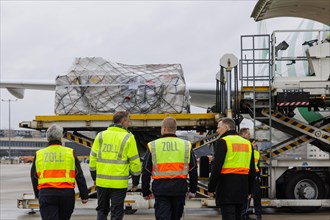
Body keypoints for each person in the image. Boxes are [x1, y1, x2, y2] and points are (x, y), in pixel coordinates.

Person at [142, 116, 198, 220]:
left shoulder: (153, 145)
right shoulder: (186, 145)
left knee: (163, 217)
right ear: (175, 129)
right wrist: (193, 190)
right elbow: (193, 169)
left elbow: (146, 170)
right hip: (179, 189)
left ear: (164, 128)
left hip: (161, 189)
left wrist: (146, 191)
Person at [89, 111, 141, 220]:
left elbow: (92, 158)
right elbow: (135, 162)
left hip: (102, 182)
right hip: (119, 183)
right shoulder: (128, 137)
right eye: (128, 120)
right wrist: (136, 182)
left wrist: (94, 177)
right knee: (117, 212)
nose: (129, 123)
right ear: (123, 121)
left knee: (102, 210)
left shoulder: (101, 135)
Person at [31, 124, 89, 220]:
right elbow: (79, 175)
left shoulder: (39, 154)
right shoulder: (70, 152)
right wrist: (84, 195)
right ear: (61, 137)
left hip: (46, 194)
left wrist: (37, 194)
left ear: (47, 138)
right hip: (66, 194)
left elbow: (34, 176)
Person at [208, 118, 255, 220]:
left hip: (226, 189)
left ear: (226, 127)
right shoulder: (247, 143)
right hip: (242, 189)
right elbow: (252, 169)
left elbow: (216, 167)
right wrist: (250, 190)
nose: (217, 130)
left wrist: (211, 188)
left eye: (218, 127)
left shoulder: (223, 141)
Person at [240, 128, 262, 220]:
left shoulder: (256, 153)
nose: (255, 145)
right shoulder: (245, 150)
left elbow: (257, 165)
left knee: (256, 194)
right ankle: (244, 214)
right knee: (246, 195)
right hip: (246, 173)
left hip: (254, 174)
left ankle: (257, 213)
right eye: (248, 134)